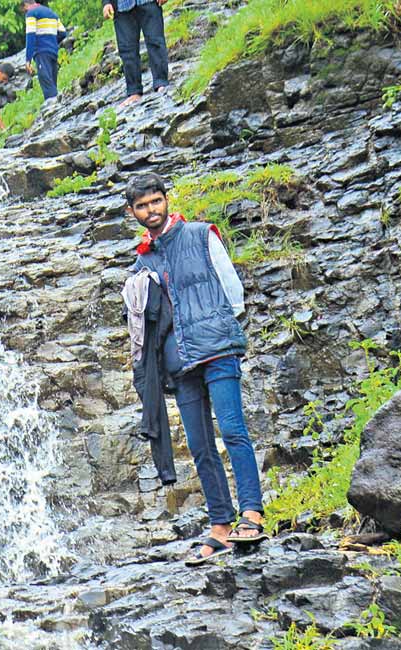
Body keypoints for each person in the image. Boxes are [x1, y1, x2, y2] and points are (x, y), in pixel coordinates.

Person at [123, 172, 267, 566]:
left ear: (166, 200)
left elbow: (232, 292)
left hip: (217, 348)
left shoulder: (202, 235)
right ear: (131, 212)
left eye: (156, 201)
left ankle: (251, 513)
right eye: (142, 205)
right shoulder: (142, 260)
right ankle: (220, 525)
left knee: (233, 430)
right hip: (179, 362)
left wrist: (220, 327)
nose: (151, 210)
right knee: (201, 445)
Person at [103, 0, 170, 106]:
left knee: (156, 41)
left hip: (149, 2)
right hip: (121, 6)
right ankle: (134, 91)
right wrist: (106, 3)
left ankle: (161, 82)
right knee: (127, 50)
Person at [22, 1, 68, 102]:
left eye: (24, 10)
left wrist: (28, 59)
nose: (25, 13)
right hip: (53, 52)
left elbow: (30, 35)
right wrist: (51, 42)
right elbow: (63, 33)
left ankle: (54, 110)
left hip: (41, 53)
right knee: (52, 84)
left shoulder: (31, 13)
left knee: (47, 85)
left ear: (26, 6)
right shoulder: (51, 13)